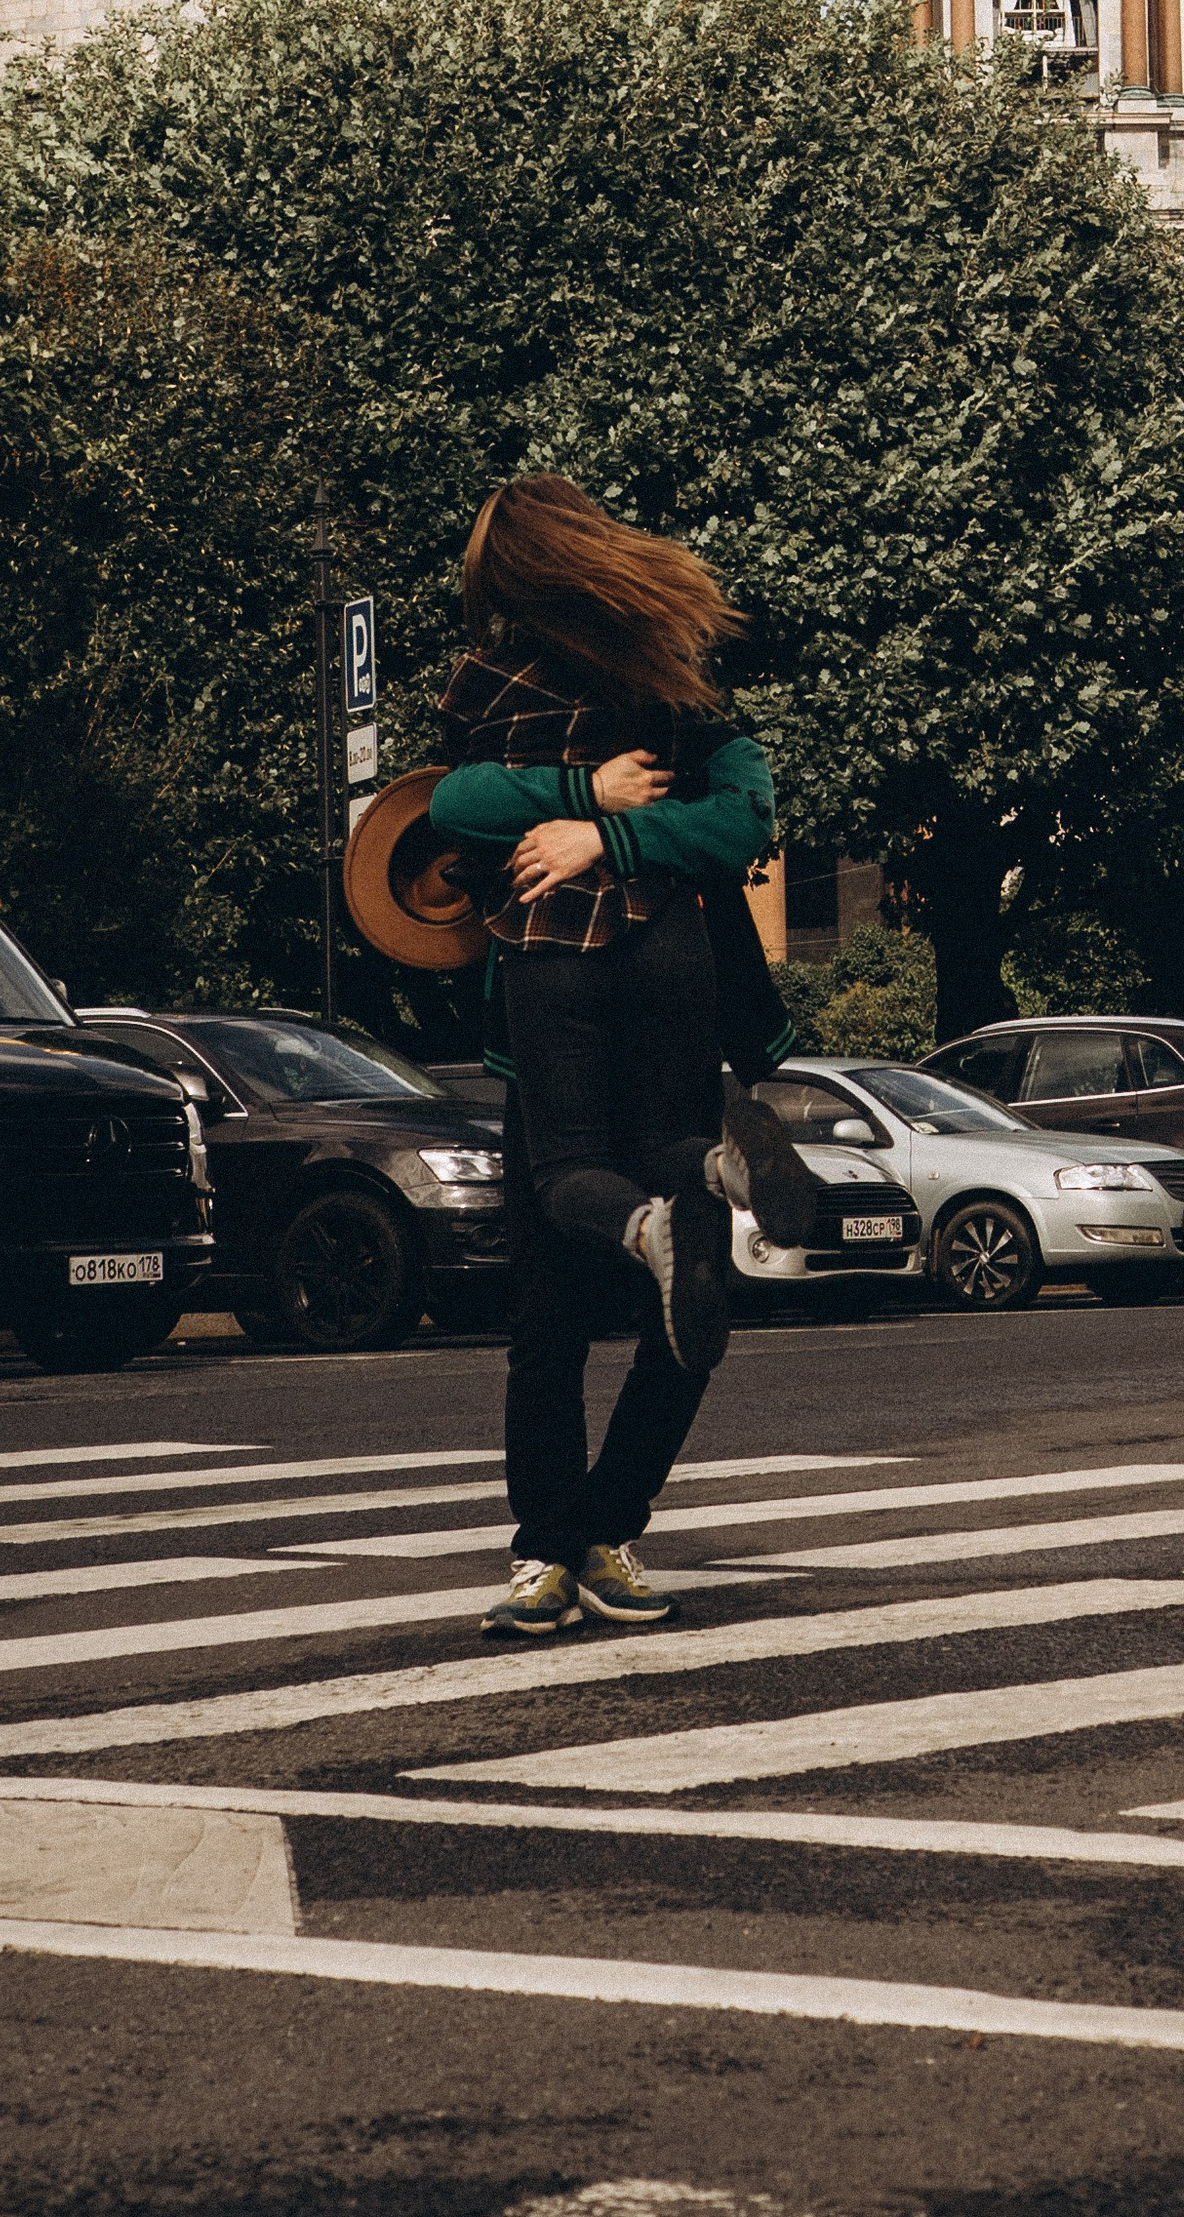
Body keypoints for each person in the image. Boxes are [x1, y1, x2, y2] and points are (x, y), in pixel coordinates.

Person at [428, 477, 827, 1643]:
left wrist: (586, 824)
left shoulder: (490, 680)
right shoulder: (678, 681)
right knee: (673, 1236)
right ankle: (592, 1532)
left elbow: (446, 806)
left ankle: (557, 1548)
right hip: (677, 961)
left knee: (558, 1251)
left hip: (559, 964)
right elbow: (742, 817)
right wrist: (606, 807)